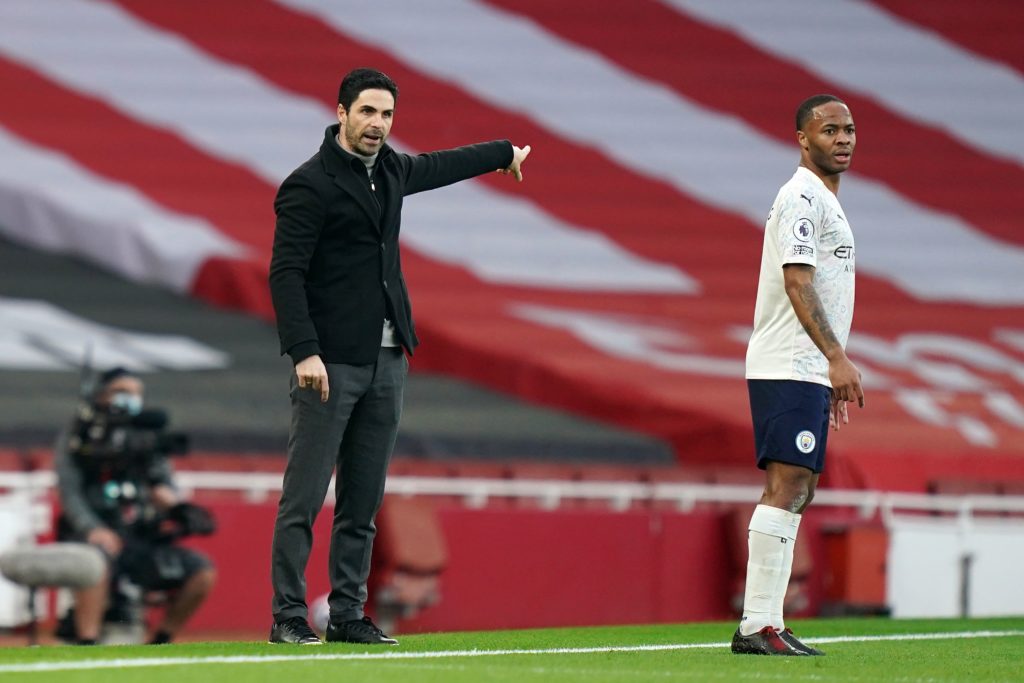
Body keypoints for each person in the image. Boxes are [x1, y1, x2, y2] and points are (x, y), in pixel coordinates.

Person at [267, 67, 530, 646]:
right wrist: (304, 353)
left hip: (388, 359)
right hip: (330, 363)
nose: (377, 125)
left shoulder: (390, 171)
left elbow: (444, 165)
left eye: (386, 115)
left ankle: (347, 614)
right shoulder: (308, 185)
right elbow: (285, 274)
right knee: (305, 497)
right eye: (367, 112)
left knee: (363, 501)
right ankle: (287, 615)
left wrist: (503, 152)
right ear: (341, 113)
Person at [732, 94, 864, 656]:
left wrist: (825, 370)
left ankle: (770, 620)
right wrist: (834, 359)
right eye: (829, 129)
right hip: (787, 360)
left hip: (803, 366)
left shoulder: (824, 201)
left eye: (850, 129)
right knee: (786, 485)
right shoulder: (801, 197)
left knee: (800, 489)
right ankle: (755, 624)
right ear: (802, 139)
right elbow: (798, 282)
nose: (843, 138)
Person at [54, 367, 216, 645]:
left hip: (139, 536)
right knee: (95, 561)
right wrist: (93, 529)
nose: (131, 399)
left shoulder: (147, 436)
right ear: (102, 395)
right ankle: (87, 642)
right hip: (93, 534)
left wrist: (178, 509)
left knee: (201, 572)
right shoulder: (80, 435)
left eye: (137, 394)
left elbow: (161, 484)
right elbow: (70, 492)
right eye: (122, 392)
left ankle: (161, 640)